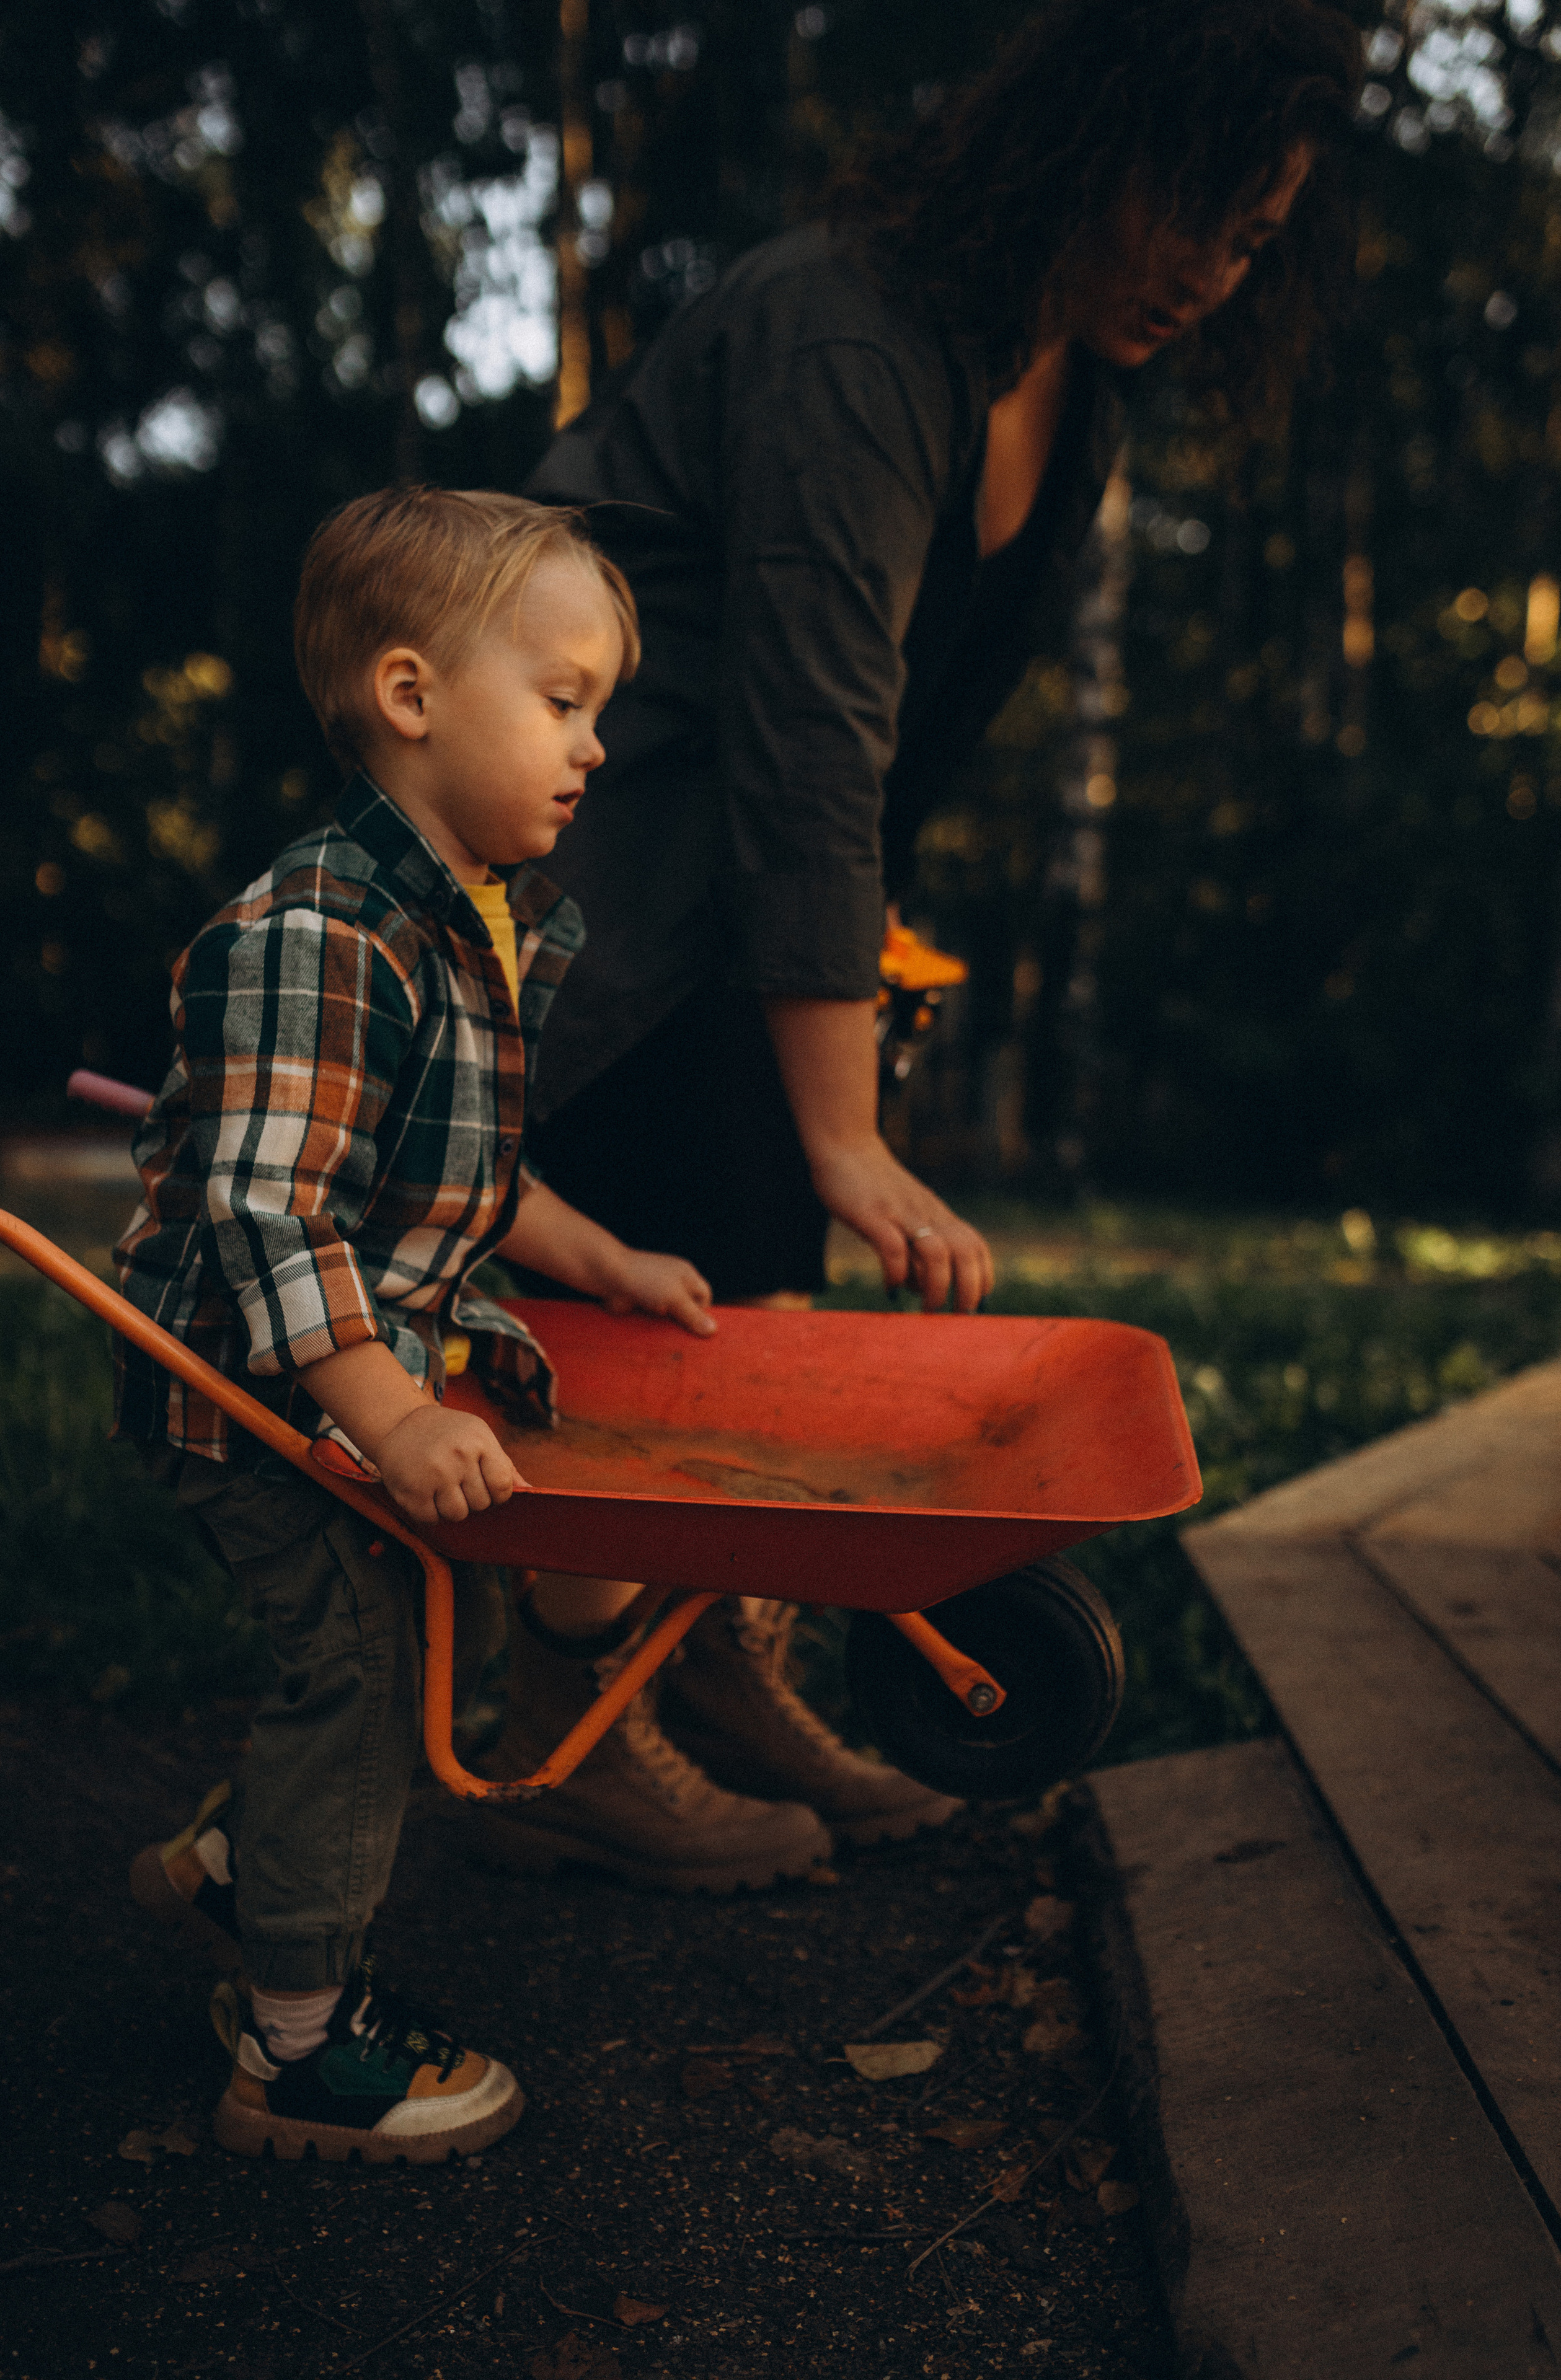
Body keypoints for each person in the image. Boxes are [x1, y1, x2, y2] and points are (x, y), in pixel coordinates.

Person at [468, 0, 1360, 1872]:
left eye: (1255, 237)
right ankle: (564, 1717)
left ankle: (699, 1673)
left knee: (750, 1273)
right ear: (1089, 141)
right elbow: (811, 732)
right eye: (1193, 206)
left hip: (730, 879)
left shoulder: (1071, 384)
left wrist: (854, 984)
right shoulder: (848, 332)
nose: (1211, 267)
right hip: (576, 872)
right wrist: (849, 1121)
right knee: (672, 1266)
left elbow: (898, 740)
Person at [117, 486, 853, 2164]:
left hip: (349, 1374)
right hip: (253, 1392)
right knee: (366, 1672)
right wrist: (387, 1412)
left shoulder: (467, 925)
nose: (597, 746)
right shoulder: (315, 935)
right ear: (409, 694)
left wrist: (602, 1258)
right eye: (567, 698)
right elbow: (267, 1213)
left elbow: (472, 1170)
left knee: (404, 1647)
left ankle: (253, 1864)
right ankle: (299, 2053)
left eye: (602, 708)